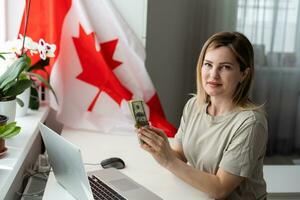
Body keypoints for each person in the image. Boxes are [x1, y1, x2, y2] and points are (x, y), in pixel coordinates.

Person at [138, 32, 268, 199]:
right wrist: (159, 148)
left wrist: (169, 160)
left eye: (225, 67)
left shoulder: (251, 123)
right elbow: (180, 154)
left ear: (244, 74)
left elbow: (220, 189)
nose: (213, 74)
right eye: (208, 64)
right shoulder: (194, 105)